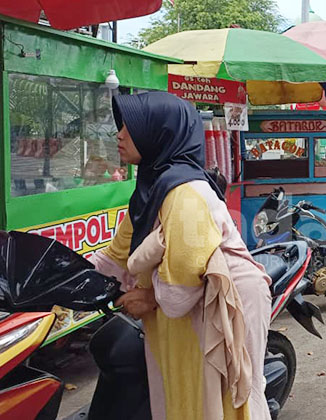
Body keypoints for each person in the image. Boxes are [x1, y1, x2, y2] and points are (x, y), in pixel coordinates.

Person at [89, 92, 272, 420]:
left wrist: (148, 297)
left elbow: (176, 295)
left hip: (228, 306)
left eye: (130, 127)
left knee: (229, 402)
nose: (119, 135)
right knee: (187, 397)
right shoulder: (151, 190)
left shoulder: (185, 192)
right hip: (188, 306)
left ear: (159, 133)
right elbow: (114, 259)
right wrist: (58, 281)